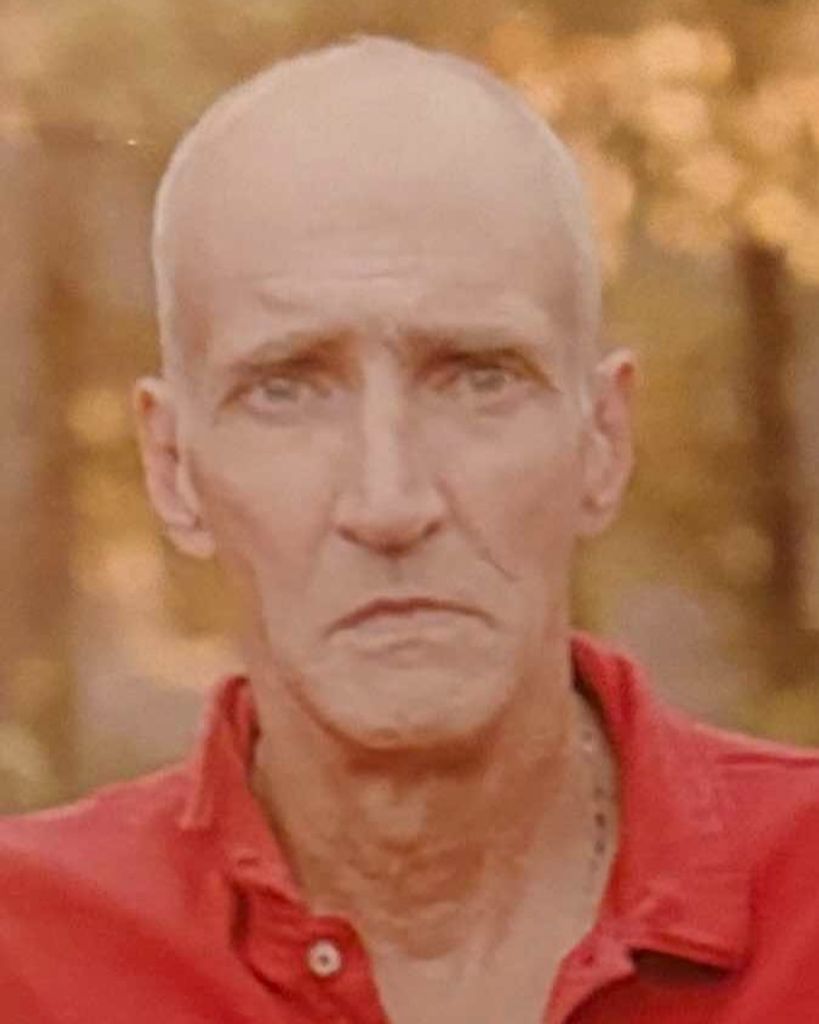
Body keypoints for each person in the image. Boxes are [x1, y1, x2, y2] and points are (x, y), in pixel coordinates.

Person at [2, 35, 819, 1024]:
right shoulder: (27, 955)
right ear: (172, 467)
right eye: (286, 389)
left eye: (478, 378)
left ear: (603, 439)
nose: (389, 503)